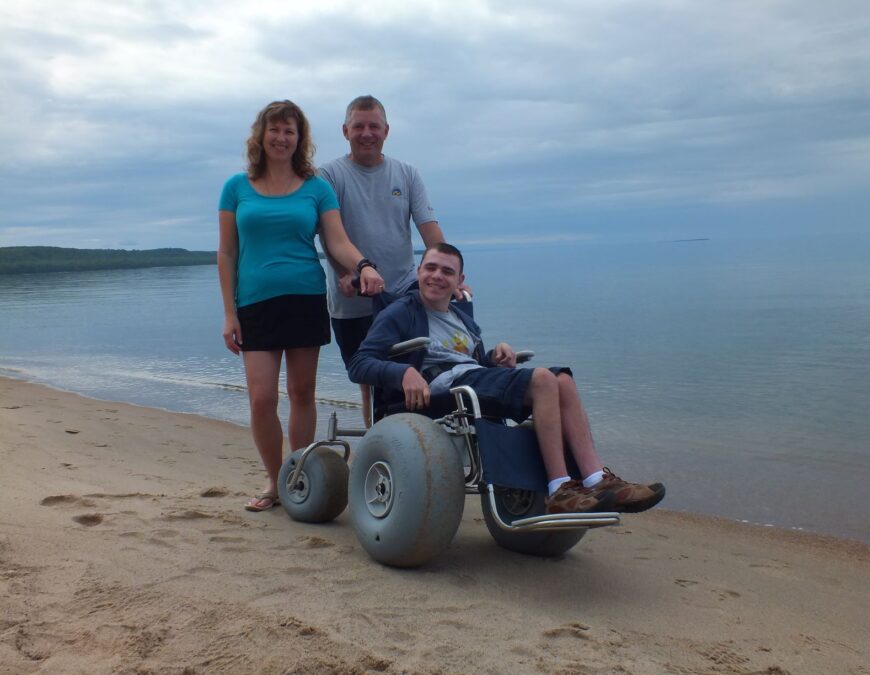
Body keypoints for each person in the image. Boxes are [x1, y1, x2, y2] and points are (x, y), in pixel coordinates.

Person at [348, 243, 666, 515]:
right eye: (430, 267)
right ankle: (560, 489)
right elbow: (359, 363)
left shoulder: (462, 320)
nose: (437, 276)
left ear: (460, 280)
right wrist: (402, 372)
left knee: (563, 380)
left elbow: (474, 365)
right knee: (542, 379)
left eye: (447, 272)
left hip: (470, 378)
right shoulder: (401, 312)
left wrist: (495, 357)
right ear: (418, 272)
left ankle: (597, 479)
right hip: (439, 388)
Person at [218, 100, 385, 513]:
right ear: (261, 136)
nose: (281, 138)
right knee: (261, 398)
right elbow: (226, 253)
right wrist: (228, 313)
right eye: (274, 130)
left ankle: (299, 476)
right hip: (254, 301)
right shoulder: (236, 187)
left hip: (305, 297)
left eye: (289, 131)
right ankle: (275, 480)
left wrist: (362, 265)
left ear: (299, 138)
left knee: (302, 392)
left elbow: (338, 242)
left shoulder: (317, 187)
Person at [319, 95, 455, 426]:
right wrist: (345, 272)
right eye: (359, 126)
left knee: (417, 363)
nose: (367, 133)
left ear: (386, 131)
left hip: (403, 290)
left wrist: (454, 274)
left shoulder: (407, 174)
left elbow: (429, 230)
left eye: (374, 126)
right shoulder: (329, 175)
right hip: (352, 296)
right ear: (345, 130)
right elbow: (329, 234)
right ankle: (376, 438)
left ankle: (421, 433)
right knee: (368, 377)